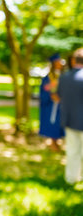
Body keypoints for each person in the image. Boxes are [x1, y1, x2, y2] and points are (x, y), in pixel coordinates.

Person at [58, 47, 83, 184]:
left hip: (69, 120)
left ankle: (71, 178)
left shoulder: (64, 77)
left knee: (72, 151)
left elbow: (59, 96)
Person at [38, 53, 65, 151]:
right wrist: (51, 96)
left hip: (61, 105)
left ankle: (57, 143)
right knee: (53, 125)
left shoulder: (63, 75)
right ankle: (53, 144)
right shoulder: (48, 77)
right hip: (51, 105)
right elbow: (44, 90)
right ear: (54, 63)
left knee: (59, 124)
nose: (60, 64)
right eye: (58, 62)